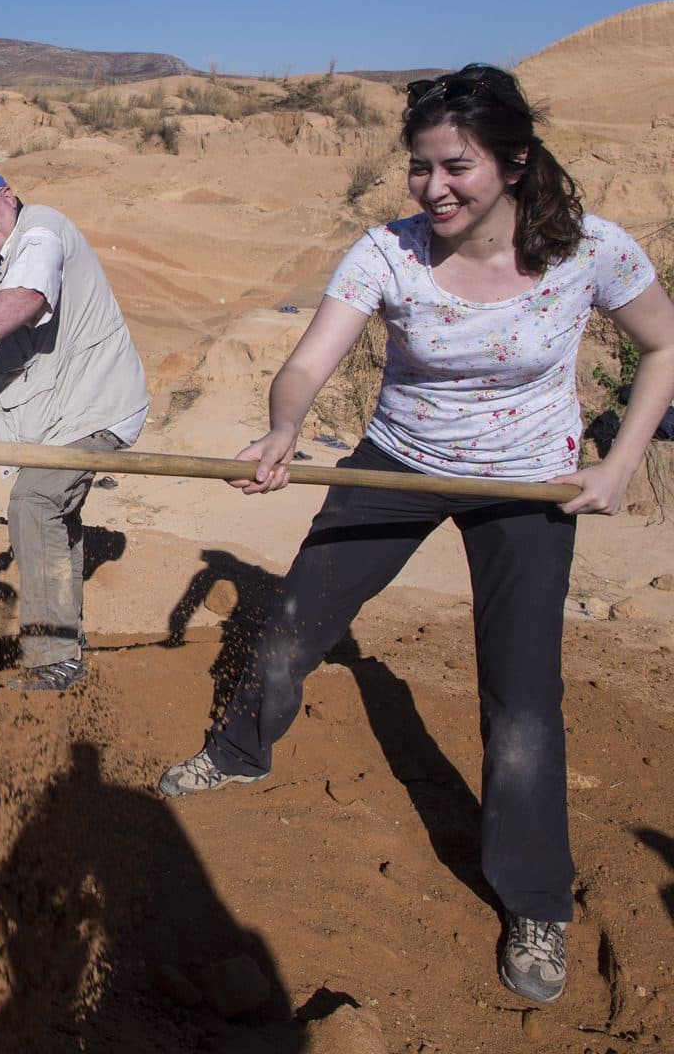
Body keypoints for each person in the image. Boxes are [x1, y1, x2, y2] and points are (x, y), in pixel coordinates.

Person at [157, 65, 674, 1006]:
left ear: (513, 162)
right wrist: (282, 429)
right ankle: (237, 751)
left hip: (526, 485)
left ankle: (536, 902)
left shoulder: (591, 251)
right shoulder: (387, 253)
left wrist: (621, 461)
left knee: (521, 699)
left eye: (457, 167)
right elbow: (312, 357)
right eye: (419, 168)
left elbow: (664, 344)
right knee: (291, 626)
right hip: (393, 464)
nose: (434, 188)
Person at [0, 165, 149, 690]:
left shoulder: (43, 230)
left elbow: (30, 296)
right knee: (57, 518)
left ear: (7, 194)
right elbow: (14, 344)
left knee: (33, 503)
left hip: (96, 407)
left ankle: (53, 659)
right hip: (58, 420)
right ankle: (67, 653)